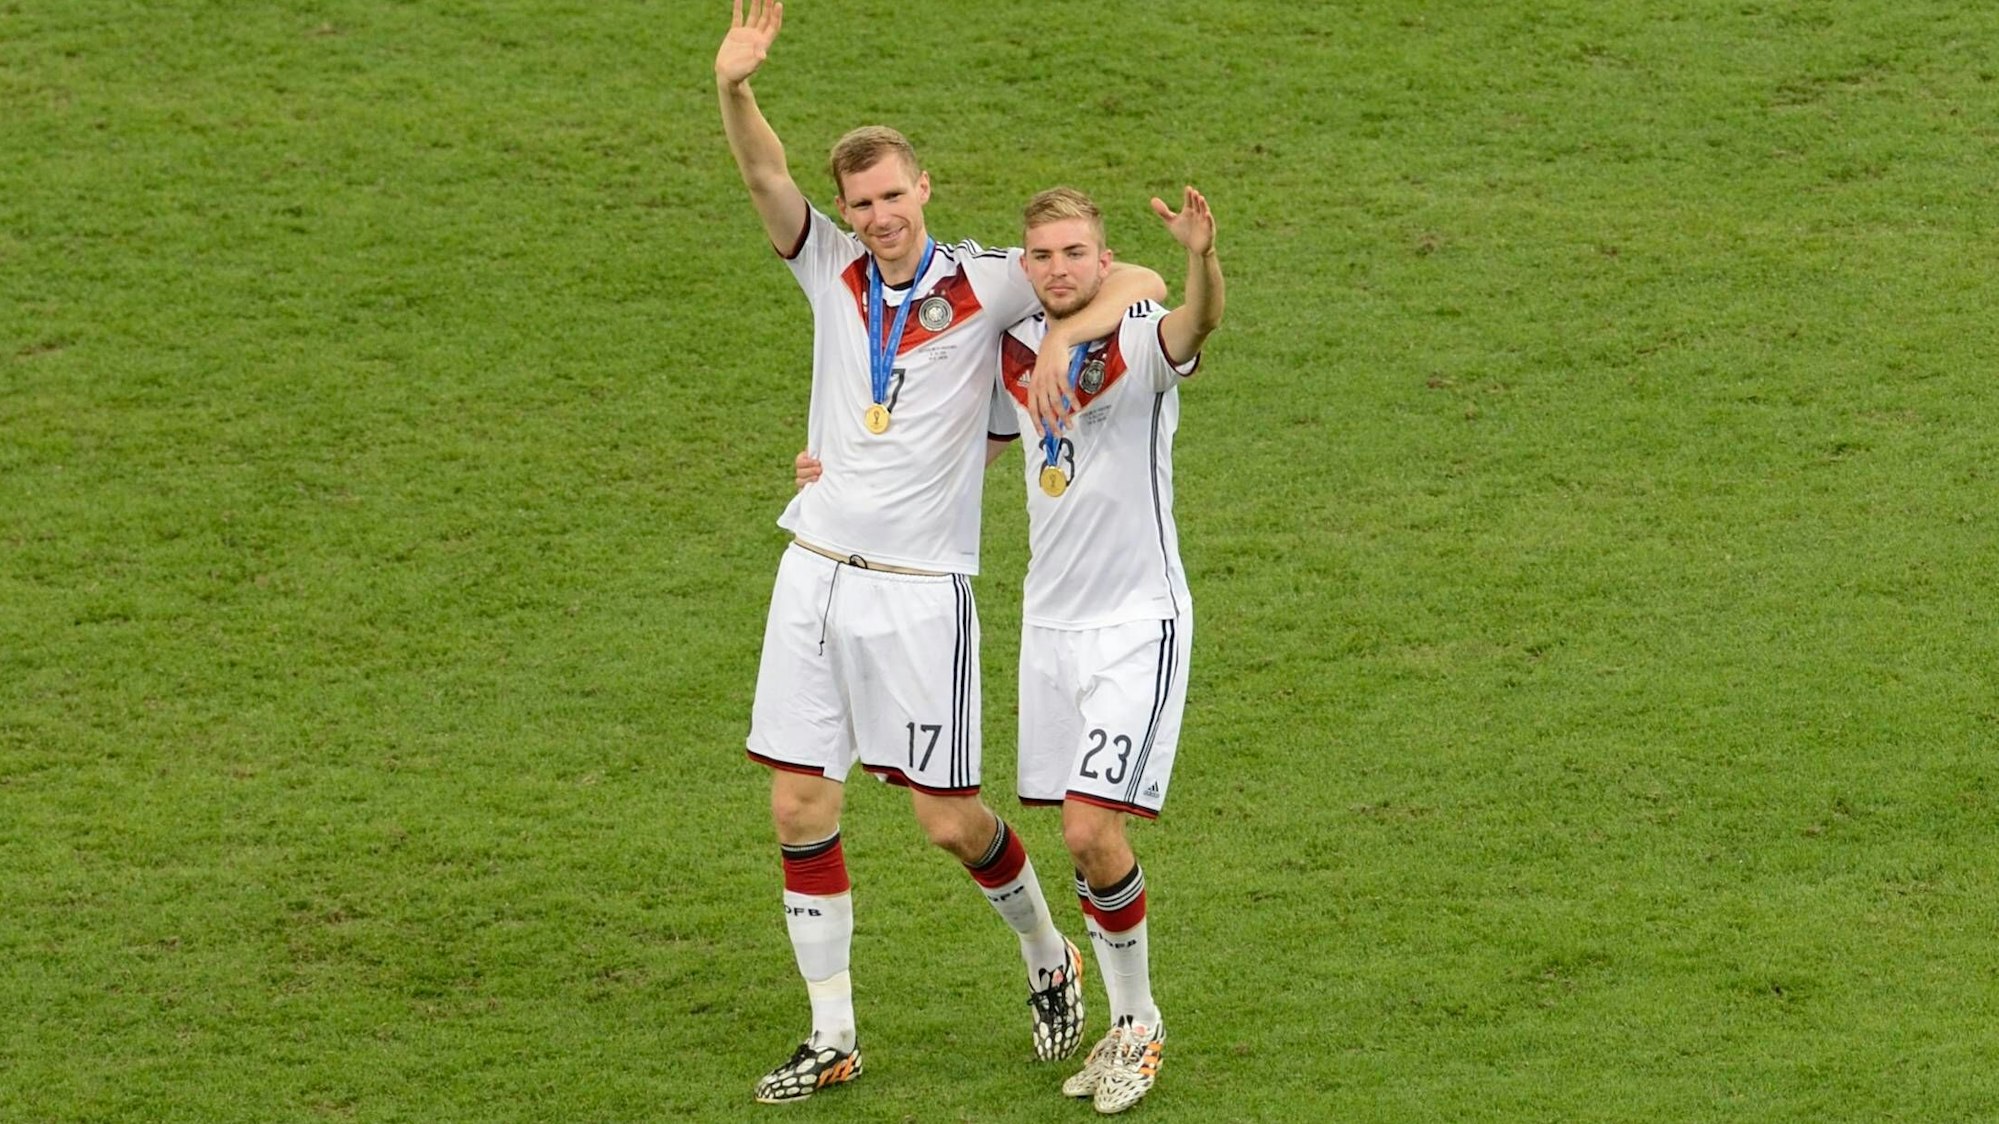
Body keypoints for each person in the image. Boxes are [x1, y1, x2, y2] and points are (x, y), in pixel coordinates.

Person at [713, 0, 1166, 1104]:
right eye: (858, 200)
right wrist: (735, 89)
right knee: (795, 805)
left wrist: (1059, 333)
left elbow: (1138, 280)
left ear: (924, 190)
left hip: (923, 594)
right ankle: (834, 1033)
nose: (873, 216)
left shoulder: (987, 277)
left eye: (889, 195)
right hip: (812, 565)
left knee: (945, 818)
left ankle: (1045, 949)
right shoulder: (826, 264)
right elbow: (768, 181)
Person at [797, 185, 1226, 1113]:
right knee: (1077, 835)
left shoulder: (1137, 335)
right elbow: (954, 448)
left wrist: (1198, 255)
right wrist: (839, 470)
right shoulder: (1010, 350)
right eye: (1041, 256)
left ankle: (1138, 1024)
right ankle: (1107, 1004)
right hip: (1049, 626)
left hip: (1137, 621)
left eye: (1075, 253)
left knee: (1086, 827)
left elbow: (1190, 316)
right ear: (1023, 266)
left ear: (1099, 260)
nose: (1058, 269)